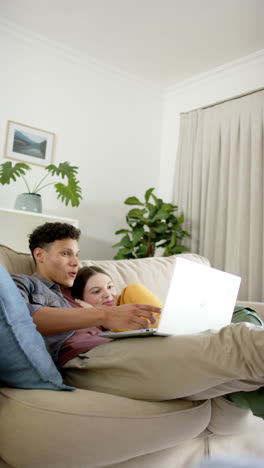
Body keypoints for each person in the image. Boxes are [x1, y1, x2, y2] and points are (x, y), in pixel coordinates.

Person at [12, 222, 264, 413]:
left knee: (249, 373)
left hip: (123, 346)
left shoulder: (79, 289)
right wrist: (104, 314)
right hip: (82, 361)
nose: (76, 262)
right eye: (66, 254)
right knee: (238, 340)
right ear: (39, 255)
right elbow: (23, 321)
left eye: (77, 254)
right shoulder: (23, 284)